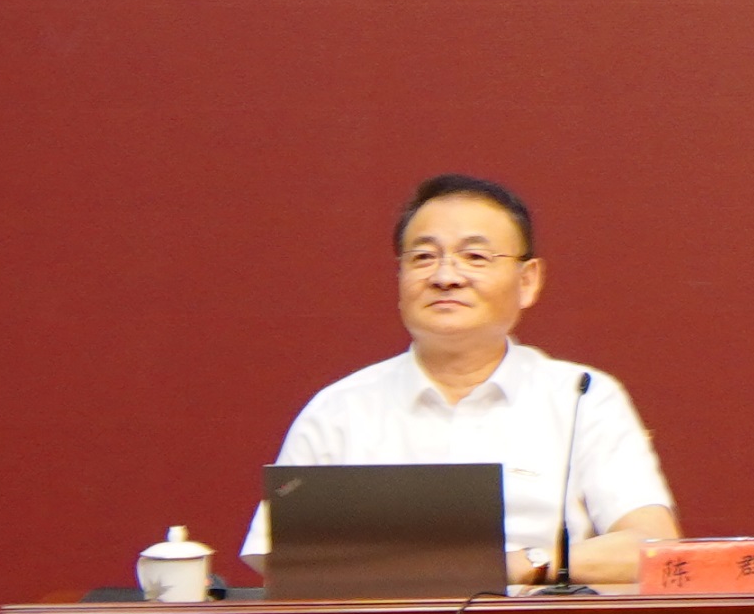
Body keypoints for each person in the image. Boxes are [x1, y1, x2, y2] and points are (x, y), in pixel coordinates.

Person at [242, 173, 681, 588]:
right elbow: (282, 559)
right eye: (423, 257)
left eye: (475, 257)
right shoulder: (339, 411)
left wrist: (523, 565)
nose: (445, 277)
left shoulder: (581, 397)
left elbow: (654, 547)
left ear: (527, 281)